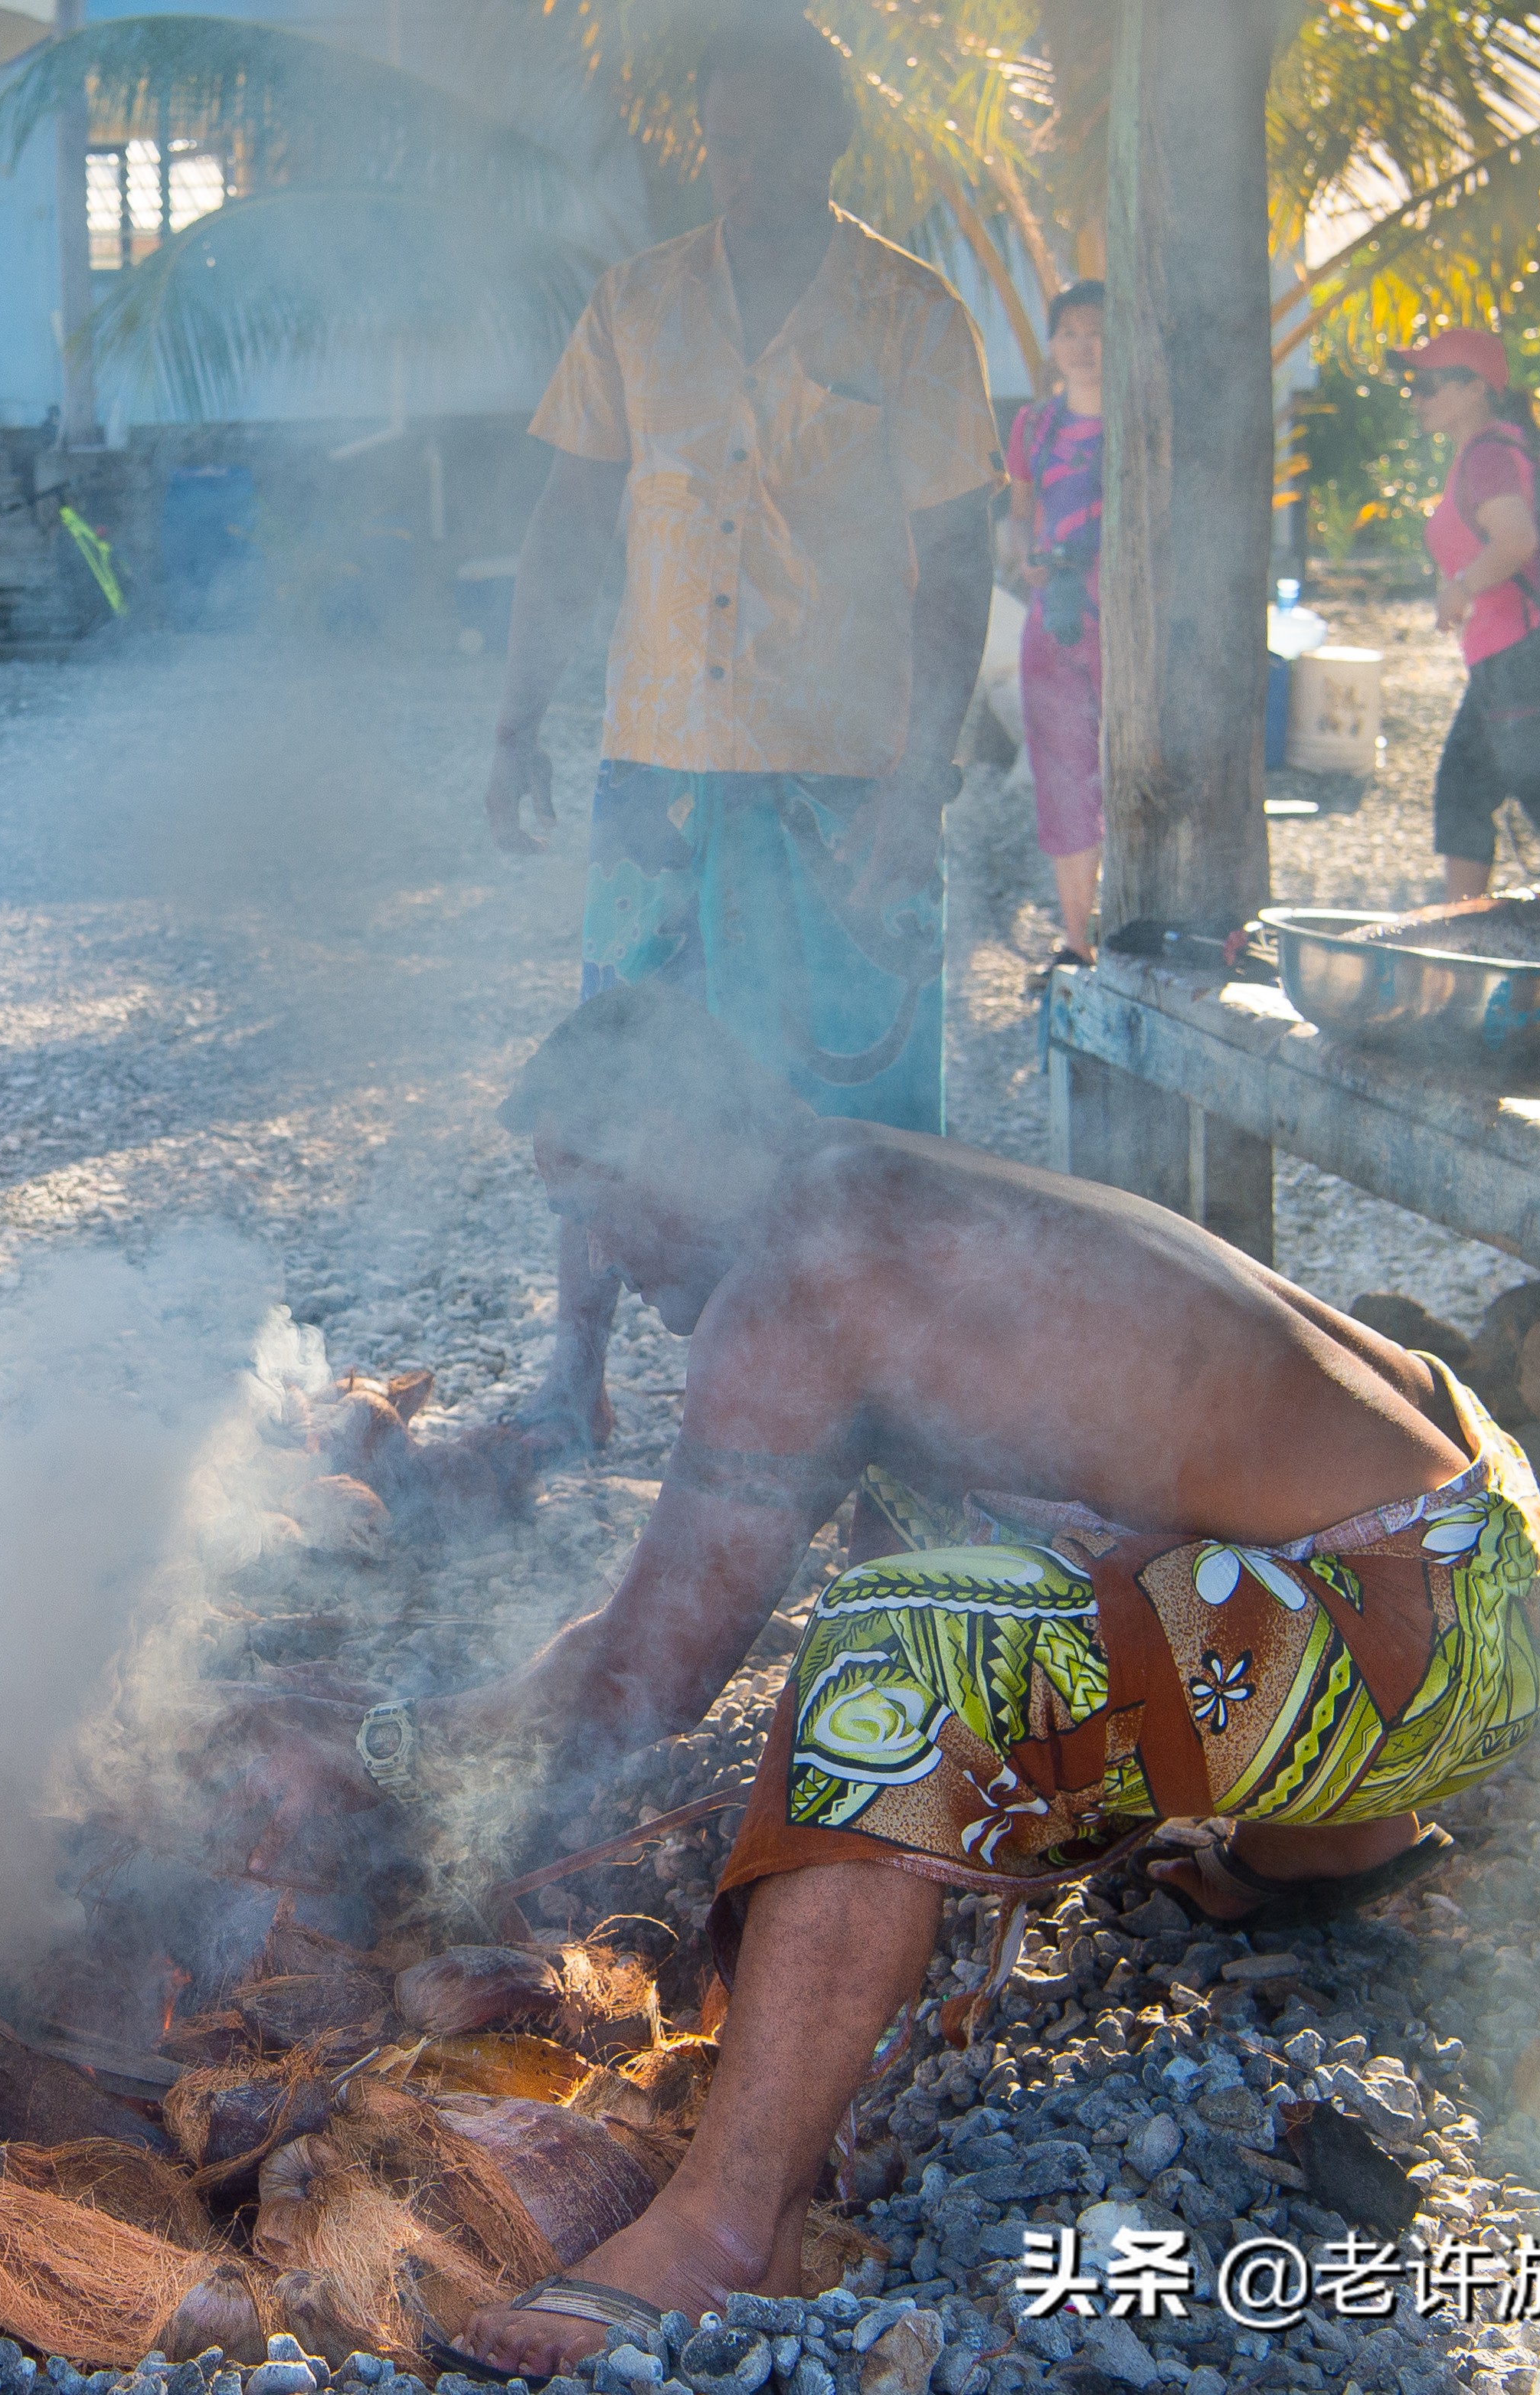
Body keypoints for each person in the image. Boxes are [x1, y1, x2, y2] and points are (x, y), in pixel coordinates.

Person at [226, 982, 1540, 2356]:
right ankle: (1330, 1848)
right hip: (1492, 1570)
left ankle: (728, 2224)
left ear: (689, 1138)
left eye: (599, 1196)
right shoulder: (866, 1195)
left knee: (892, 1637)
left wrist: (396, 1749)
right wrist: (429, 1731)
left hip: (1416, 1647)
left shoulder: (803, 1268)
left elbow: (655, 1667)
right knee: (947, 1513)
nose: (601, 1257)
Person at [484, 15, 1000, 1456]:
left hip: (845, 783)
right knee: (607, 1088)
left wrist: (922, 786)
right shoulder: (636, 305)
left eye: (773, 136)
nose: (743, 163)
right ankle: (570, 1377)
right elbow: (568, 522)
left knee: (855, 1107)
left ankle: (879, 1410)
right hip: (654, 776)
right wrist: (517, 720)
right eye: (722, 139)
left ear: (833, 140)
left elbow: (958, 561)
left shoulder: (911, 316)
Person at [1398, 326, 1540, 900]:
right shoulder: (1484, 454)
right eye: (1413, 386)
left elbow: (1515, 540)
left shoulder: (1489, 457)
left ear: (1475, 388)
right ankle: (1462, 931)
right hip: (1510, 656)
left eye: (1429, 385)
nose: (1417, 398)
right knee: (1463, 789)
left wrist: (1459, 588)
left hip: (1520, 653)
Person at [1000, 281, 1106, 970]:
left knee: (1132, 772)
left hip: (1122, 624)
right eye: (1068, 332)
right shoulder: (1034, 427)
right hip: (1051, 621)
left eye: (1096, 332)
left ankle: (1132, 930)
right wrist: (1024, 558)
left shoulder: (1144, 422)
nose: (1083, 346)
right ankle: (1078, 941)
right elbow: (1017, 514)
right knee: (1063, 781)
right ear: (1050, 345)